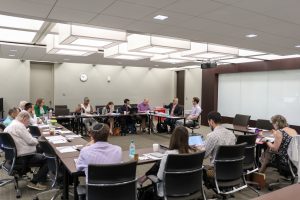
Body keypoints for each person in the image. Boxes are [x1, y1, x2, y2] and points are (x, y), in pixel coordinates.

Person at [138, 126, 198, 196]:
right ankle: (143, 178)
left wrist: (149, 175)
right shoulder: (194, 153)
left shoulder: (169, 155)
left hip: (169, 191)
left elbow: (160, 177)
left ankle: (142, 179)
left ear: (173, 138)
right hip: (189, 189)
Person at [4, 111, 49, 191]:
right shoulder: (19, 126)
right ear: (24, 118)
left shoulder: (11, 125)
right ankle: (35, 182)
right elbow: (31, 141)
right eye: (28, 121)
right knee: (48, 158)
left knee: (40, 152)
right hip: (23, 157)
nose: (28, 123)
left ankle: (41, 176)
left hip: (13, 157)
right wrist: (38, 139)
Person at [202, 111, 236, 186]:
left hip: (217, 171)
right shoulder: (232, 134)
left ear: (211, 121)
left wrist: (199, 148)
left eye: (208, 122)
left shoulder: (212, 135)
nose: (208, 124)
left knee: (200, 170)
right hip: (232, 168)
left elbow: (204, 155)